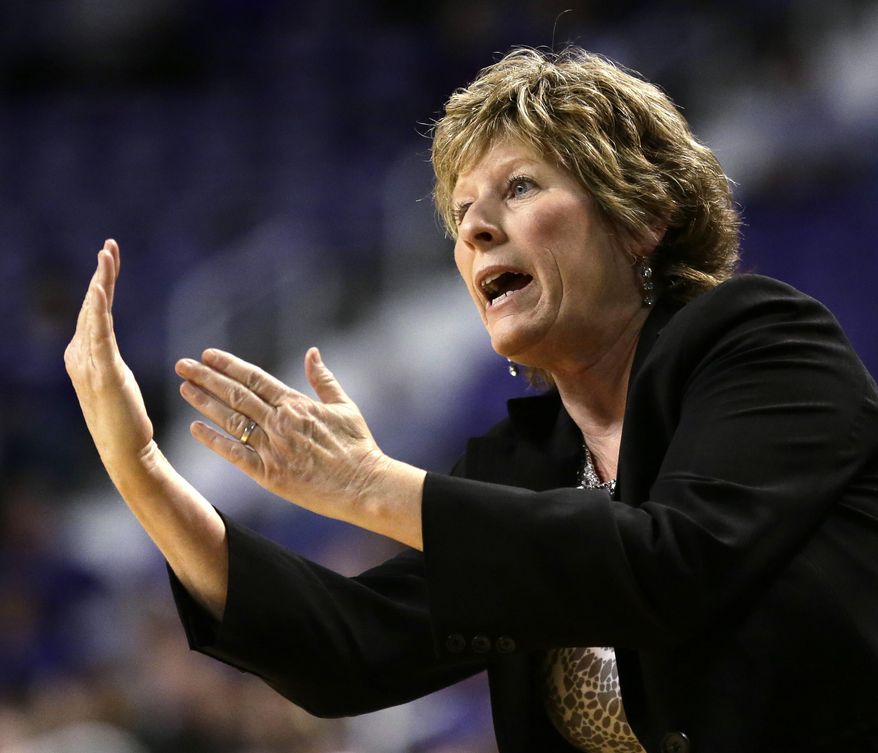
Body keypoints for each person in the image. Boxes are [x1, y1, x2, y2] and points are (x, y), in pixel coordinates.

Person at [65, 47, 878, 753]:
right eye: (460, 213)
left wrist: (368, 486)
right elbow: (352, 648)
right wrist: (141, 471)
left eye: (519, 187)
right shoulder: (525, 466)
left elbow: (671, 563)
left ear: (643, 218)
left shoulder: (764, 345)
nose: (476, 230)